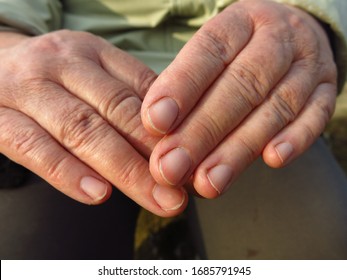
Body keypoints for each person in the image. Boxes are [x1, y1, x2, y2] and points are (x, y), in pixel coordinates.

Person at [0, 0, 346, 259]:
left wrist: (308, 17)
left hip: (251, 87)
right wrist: (8, 42)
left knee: (315, 246)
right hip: (63, 84)